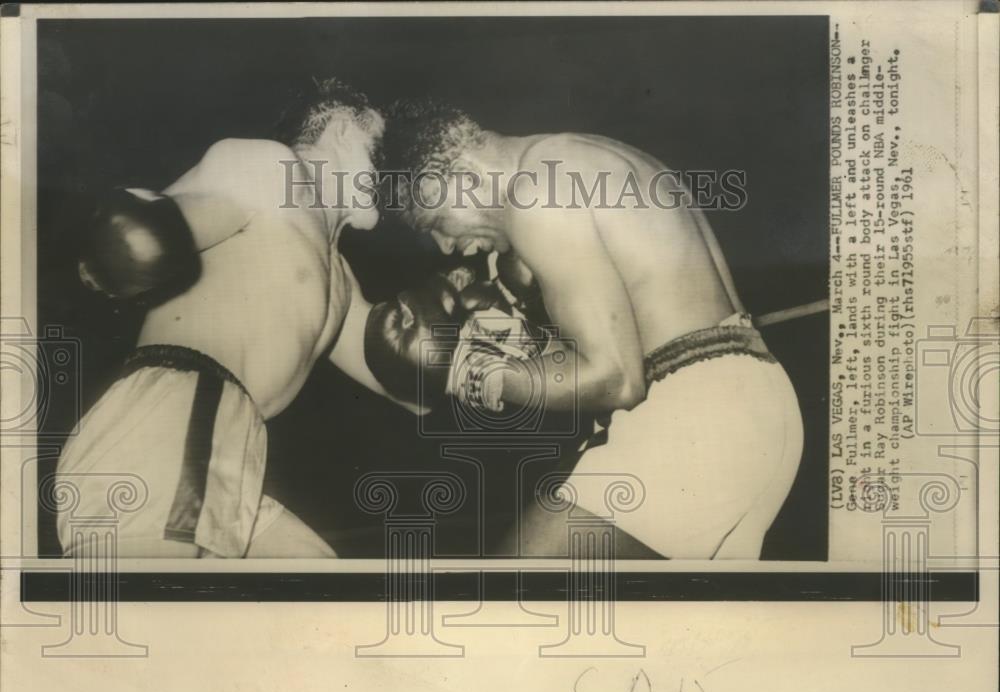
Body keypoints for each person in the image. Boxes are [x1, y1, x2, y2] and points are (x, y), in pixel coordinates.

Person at [381, 100, 804, 559]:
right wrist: (527, 342)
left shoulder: (534, 194)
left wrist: (469, 372)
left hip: (698, 417)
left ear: (461, 179)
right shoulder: (580, 156)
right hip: (752, 399)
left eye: (434, 223)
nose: (445, 246)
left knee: (501, 595)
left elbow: (615, 379)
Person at [57, 79, 419, 558]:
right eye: (382, 145)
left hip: (232, 448)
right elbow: (147, 234)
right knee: (136, 620)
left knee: (323, 588)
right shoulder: (269, 168)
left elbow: (413, 387)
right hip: (177, 415)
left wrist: (481, 348)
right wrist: (130, 233)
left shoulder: (341, 281)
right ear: (342, 130)